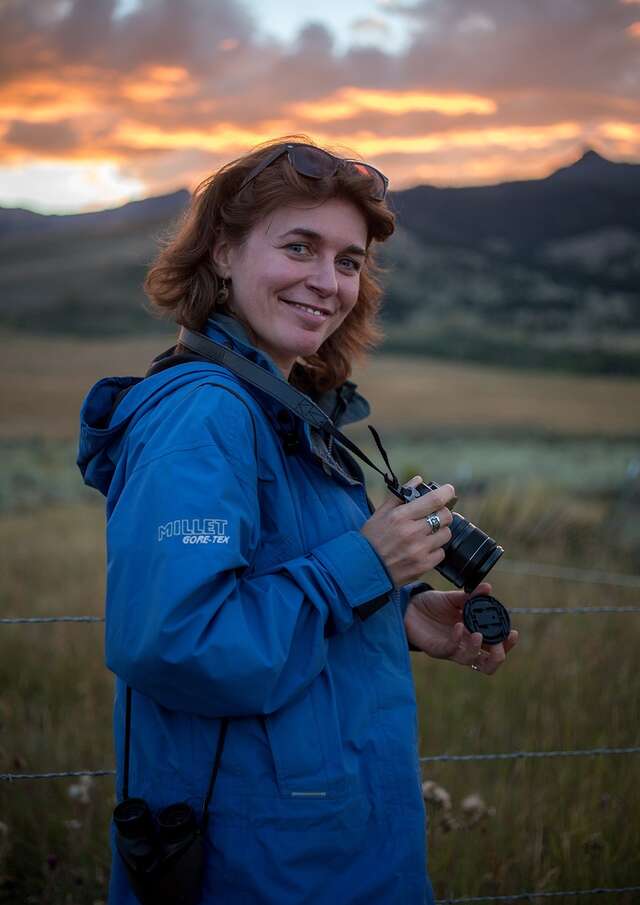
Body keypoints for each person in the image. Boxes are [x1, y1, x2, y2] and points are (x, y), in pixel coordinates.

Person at [78, 135, 518, 905]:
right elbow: (182, 642)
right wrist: (369, 563)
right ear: (221, 252)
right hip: (256, 867)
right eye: (299, 247)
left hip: (338, 853)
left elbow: (284, 589)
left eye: (348, 261)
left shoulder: (283, 412)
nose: (327, 281)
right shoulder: (203, 415)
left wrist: (399, 611)